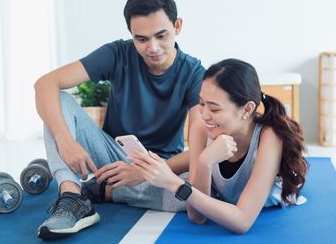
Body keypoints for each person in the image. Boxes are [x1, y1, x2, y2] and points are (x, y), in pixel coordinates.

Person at [34, 0, 205, 239]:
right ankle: (72, 197)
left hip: (161, 167)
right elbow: (45, 84)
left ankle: (103, 191)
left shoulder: (194, 74)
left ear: (177, 26)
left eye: (161, 35)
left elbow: (199, 150)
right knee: (57, 100)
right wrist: (65, 140)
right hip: (112, 157)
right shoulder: (118, 53)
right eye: (142, 39)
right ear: (131, 35)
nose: (153, 47)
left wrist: (144, 172)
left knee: (200, 195)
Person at [129, 58, 308, 234]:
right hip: (222, 195)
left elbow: (242, 221)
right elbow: (197, 216)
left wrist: (175, 181)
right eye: (201, 103)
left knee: (170, 183)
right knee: (155, 185)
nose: (204, 114)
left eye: (214, 109)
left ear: (246, 109)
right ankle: (106, 190)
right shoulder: (201, 127)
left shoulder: (270, 136)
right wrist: (205, 163)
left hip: (264, 198)